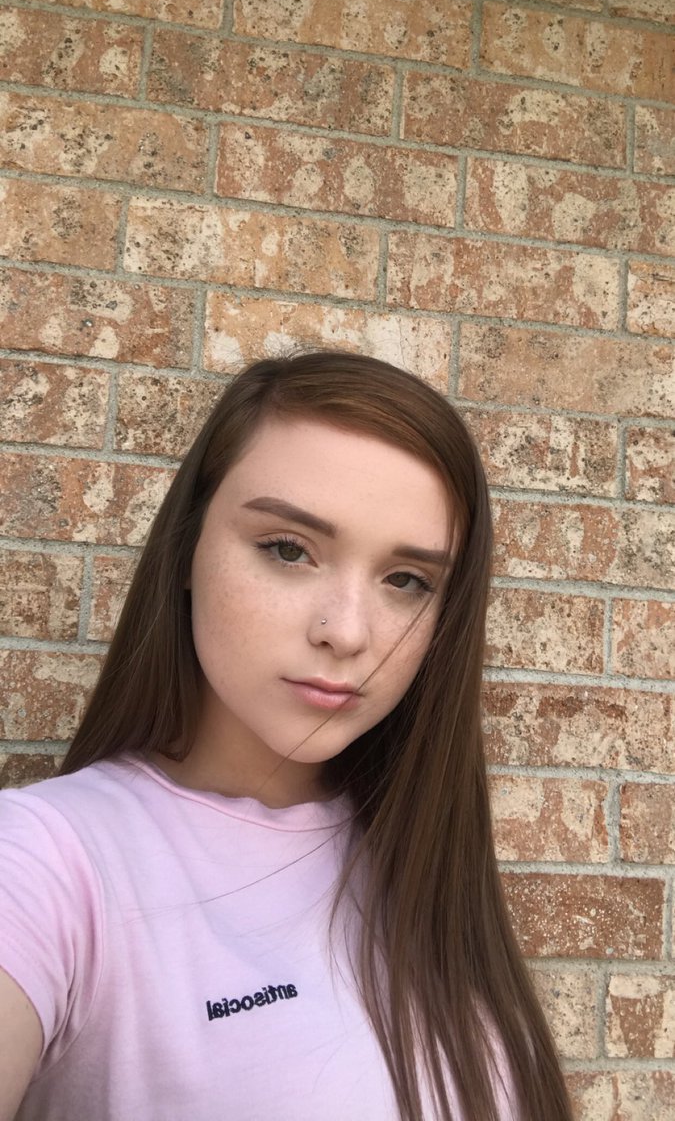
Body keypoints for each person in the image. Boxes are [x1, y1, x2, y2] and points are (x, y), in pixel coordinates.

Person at [0, 351, 573, 1121]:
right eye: (287, 549)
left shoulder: (424, 865)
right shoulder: (46, 865)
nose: (346, 632)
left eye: (406, 581)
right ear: (187, 550)